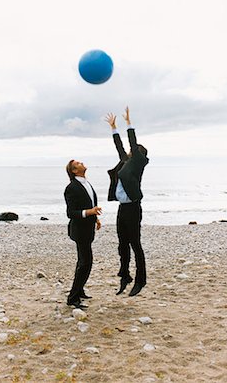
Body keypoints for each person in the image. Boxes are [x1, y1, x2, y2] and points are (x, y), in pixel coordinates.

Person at [105, 107, 149, 296]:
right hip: (122, 208)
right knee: (122, 243)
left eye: (133, 150)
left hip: (133, 208)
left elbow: (132, 142)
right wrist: (114, 128)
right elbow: (120, 146)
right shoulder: (126, 162)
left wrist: (129, 123)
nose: (130, 151)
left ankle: (141, 280)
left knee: (135, 244)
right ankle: (125, 275)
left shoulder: (139, 163)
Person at [64, 159, 102, 308]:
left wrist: (95, 218)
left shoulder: (86, 183)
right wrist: (89, 212)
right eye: (78, 163)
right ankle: (72, 298)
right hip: (79, 230)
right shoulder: (72, 187)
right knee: (85, 263)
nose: (82, 163)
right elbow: (70, 213)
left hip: (88, 228)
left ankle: (79, 291)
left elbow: (90, 204)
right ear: (74, 170)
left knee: (83, 262)